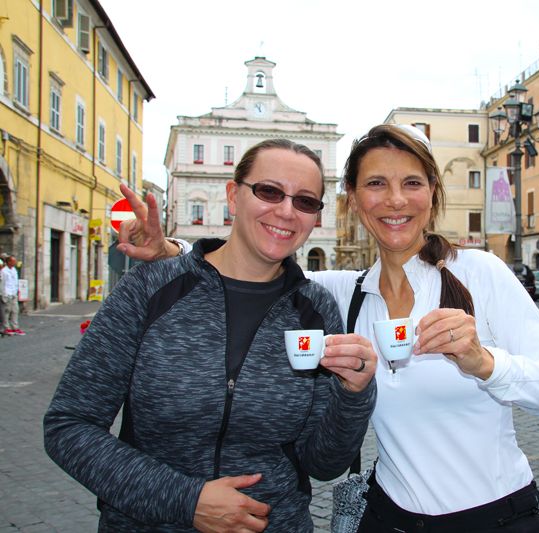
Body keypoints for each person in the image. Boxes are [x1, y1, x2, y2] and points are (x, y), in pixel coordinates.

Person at [121, 125, 539, 532]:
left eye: (411, 183)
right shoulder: (343, 292)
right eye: (376, 184)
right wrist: (173, 250)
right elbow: (252, 269)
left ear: (432, 192)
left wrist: (485, 363)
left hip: (494, 519)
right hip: (388, 519)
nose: (395, 200)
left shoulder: (480, 273)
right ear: (352, 197)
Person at [43, 139, 378, 533]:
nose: (286, 211)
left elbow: (323, 464)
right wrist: (186, 500)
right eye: (269, 191)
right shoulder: (150, 289)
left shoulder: (316, 309)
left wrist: (355, 395)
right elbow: (69, 426)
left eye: (305, 201)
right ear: (233, 197)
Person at [1, 255, 25, 336]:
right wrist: (3, 293)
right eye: (13, 261)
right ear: (9, 262)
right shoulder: (3, 271)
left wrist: (17, 291)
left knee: (15, 310)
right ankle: (6, 328)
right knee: (7, 311)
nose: (15, 263)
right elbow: (2, 283)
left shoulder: (14, 270)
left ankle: (15, 327)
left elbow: (15, 282)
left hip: (13, 293)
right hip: (7, 293)